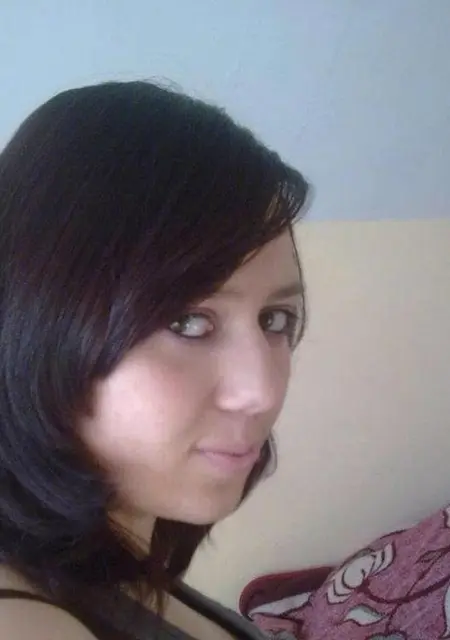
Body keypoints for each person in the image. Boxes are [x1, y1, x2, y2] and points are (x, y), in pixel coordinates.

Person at [0, 80, 309, 640]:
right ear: (39, 327)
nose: (262, 391)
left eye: (275, 319)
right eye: (188, 322)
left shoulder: (125, 564)